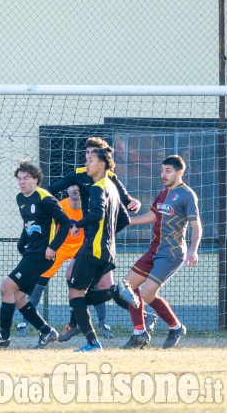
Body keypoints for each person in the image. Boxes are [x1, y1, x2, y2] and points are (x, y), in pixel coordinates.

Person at [49, 137, 157, 342]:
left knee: (87, 288)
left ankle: (85, 325)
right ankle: (81, 323)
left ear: (102, 160)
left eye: (92, 155)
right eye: (86, 155)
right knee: (81, 287)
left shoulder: (106, 181)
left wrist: (98, 228)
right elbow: (53, 188)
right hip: (99, 243)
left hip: (95, 244)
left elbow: (120, 208)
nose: (87, 159)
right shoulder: (81, 174)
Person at [0, 160, 70, 349]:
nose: (22, 182)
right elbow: (28, 224)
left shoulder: (45, 198)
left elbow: (66, 223)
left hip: (42, 255)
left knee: (6, 288)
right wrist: (22, 245)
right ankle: (47, 331)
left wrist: (53, 247)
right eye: (19, 179)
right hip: (32, 252)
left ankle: (3, 336)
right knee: (19, 297)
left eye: (26, 178)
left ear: (36, 179)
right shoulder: (20, 198)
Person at [121, 155, 201, 349]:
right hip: (154, 250)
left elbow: (196, 225)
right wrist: (128, 221)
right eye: (162, 170)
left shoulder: (187, 195)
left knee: (148, 294)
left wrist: (193, 250)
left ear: (179, 172)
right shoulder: (163, 192)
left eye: (168, 171)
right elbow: (153, 215)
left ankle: (176, 327)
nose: (163, 174)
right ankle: (139, 332)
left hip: (171, 253)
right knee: (128, 288)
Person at [17, 185, 114, 338]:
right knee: (39, 280)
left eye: (78, 185)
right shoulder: (60, 205)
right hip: (60, 247)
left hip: (81, 247)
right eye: (71, 185)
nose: (75, 188)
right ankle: (24, 322)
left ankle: (102, 324)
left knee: (89, 284)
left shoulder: (90, 206)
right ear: (67, 189)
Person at [68, 148, 137, 352]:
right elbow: (125, 219)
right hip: (107, 251)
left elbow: (97, 214)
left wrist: (78, 225)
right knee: (84, 297)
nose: (86, 164)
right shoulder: (113, 188)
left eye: (90, 160)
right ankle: (115, 291)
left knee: (75, 295)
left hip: (93, 249)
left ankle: (93, 343)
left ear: (102, 165)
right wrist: (107, 234)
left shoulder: (98, 187)